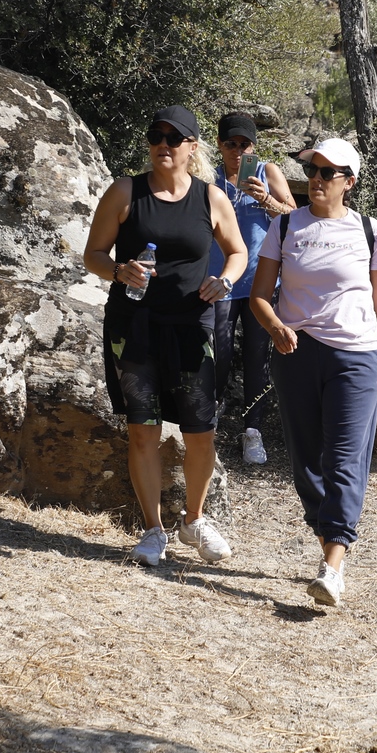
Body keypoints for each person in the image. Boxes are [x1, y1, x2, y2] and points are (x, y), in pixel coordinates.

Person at [83, 105, 247, 568]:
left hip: (193, 327)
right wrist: (117, 269)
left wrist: (227, 280)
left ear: (193, 148)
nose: (163, 145)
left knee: (201, 431)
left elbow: (237, 252)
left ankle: (193, 520)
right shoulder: (125, 192)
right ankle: (153, 530)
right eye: (156, 136)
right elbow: (92, 254)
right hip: (133, 326)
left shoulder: (211, 198)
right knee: (142, 432)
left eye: (174, 138)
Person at [247, 137, 377, 607]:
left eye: (327, 173)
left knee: (344, 460)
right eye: (312, 171)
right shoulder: (286, 226)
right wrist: (275, 325)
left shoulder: (368, 230)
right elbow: (259, 295)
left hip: (356, 358)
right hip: (296, 355)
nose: (316, 180)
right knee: (306, 463)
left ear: (349, 183)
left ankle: (332, 567)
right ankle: (331, 550)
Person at [207, 111, 296, 465]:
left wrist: (265, 200)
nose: (238, 151)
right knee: (218, 353)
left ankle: (253, 432)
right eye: (231, 144)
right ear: (220, 145)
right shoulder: (207, 177)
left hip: (261, 279)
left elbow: (292, 216)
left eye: (245, 144)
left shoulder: (267, 172)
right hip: (220, 279)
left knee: (258, 358)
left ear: (254, 146)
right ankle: (208, 423)